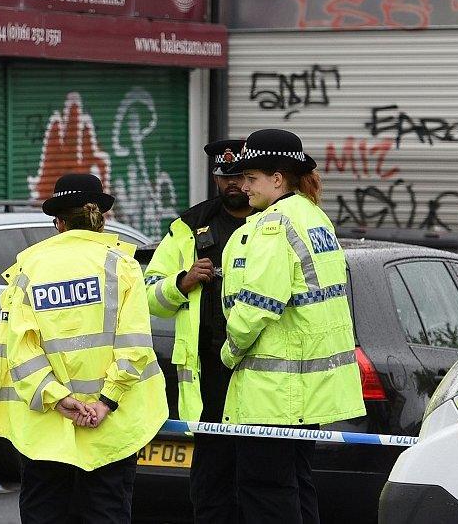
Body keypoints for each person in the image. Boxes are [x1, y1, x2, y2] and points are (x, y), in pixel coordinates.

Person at [0, 173, 168, 524]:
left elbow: (21, 350)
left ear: (58, 222)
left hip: (45, 427)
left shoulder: (29, 268)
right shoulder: (121, 264)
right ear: (101, 218)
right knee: (106, 511)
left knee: (45, 511)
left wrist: (57, 397)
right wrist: (106, 402)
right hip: (111, 424)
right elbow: (134, 346)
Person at [220, 129, 365, 524]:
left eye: (251, 179)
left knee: (265, 493)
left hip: (274, 392)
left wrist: (229, 351)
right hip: (307, 391)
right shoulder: (313, 217)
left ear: (278, 178)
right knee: (297, 485)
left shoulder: (273, 225)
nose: (244, 187)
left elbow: (257, 306)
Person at [143, 139, 255, 523]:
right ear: (216, 178)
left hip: (259, 370)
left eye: (242, 176)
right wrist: (181, 282)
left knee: (260, 482)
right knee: (211, 482)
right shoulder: (188, 227)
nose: (235, 185)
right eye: (227, 177)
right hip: (210, 371)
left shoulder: (273, 222)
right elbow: (148, 295)